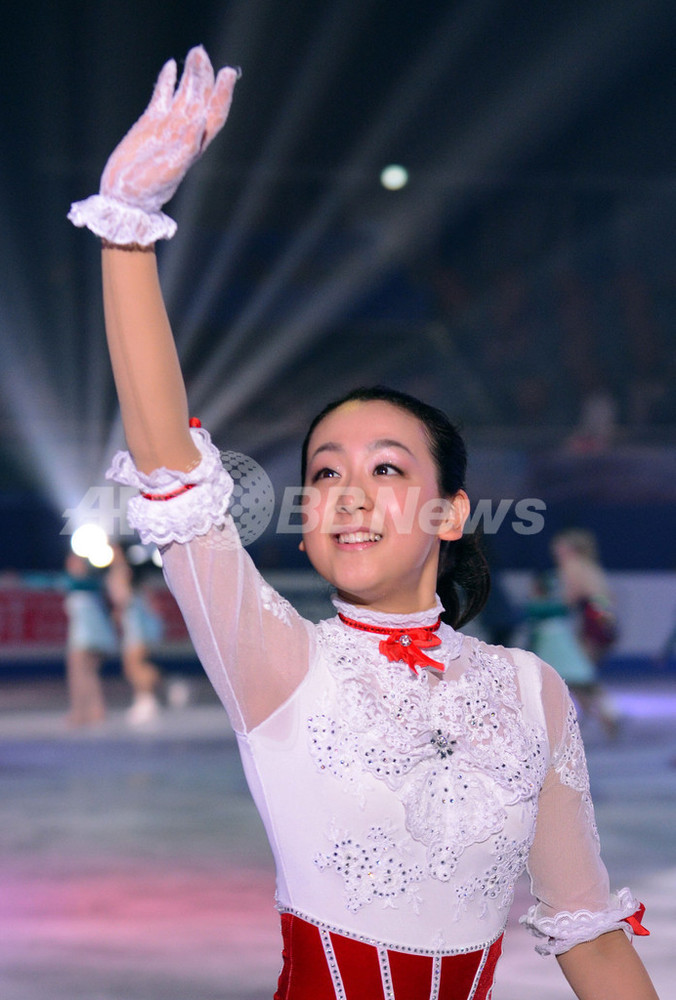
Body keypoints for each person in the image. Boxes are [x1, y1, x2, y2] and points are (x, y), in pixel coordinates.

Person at [68, 47, 658, 999]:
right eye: (324, 473)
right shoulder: (278, 663)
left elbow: (589, 934)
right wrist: (126, 236)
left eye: (386, 468)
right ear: (302, 526)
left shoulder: (532, 691)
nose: (347, 490)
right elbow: (172, 465)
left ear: (451, 512)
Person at [549, 529, 621, 738]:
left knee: (580, 673)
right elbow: (607, 598)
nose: (555, 550)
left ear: (570, 549)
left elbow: (568, 599)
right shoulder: (589, 565)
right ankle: (593, 714)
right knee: (577, 673)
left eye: (559, 546)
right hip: (602, 621)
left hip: (592, 622)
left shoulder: (571, 566)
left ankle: (607, 714)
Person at [106, 543, 168, 726]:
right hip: (132, 622)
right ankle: (149, 696)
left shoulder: (121, 571)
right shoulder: (120, 572)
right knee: (132, 666)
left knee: (133, 664)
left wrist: (117, 611)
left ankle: (148, 699)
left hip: (136, 622)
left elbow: (123, 599)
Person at [62, 551, 117, 727]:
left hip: (85, 634)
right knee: (89, 674)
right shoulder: (84, 585)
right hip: (90, 633)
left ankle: (80, 712)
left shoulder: (85, 584)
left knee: (78, 673)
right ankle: (96, 710)